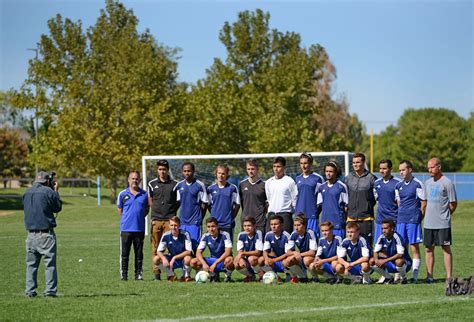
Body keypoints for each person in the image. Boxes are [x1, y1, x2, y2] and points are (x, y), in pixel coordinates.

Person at [23, 171, 62, 297]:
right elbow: (57, 207)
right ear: (47, 181)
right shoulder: (48, 191)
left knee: (31, 265)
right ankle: (50, 291)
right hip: (45, 234)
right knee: (49, 265)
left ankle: (30, 291)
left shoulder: (27, 192)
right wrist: (56, 191)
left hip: (30, 234)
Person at [424, 157, 457, 284]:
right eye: (428, 168)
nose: (430, 170)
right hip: (428, 222)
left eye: (432, 167)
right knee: (428, 249)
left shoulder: (447, 183)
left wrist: (445, 215)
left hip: (442, 223)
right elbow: (425, 203)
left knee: (446, 248)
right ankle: (429, 276)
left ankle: (449, 277)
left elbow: (453, 203)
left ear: (439, 167)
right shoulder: (427, 183)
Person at [395, 160, 426, 283]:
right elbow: (399, 204)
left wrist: (418, 218)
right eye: (400, 170)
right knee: (401, 248)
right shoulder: (398, 186)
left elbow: (423, 204)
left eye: (403, 170)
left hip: (413, 220)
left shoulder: (418, 184)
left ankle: (415, 276)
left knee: (414, 248)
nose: (401, 172)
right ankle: (400, 275)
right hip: (401, 220)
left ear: (410, 170)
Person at [147, 159, 179, 280]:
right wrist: (155, 211)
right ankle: (156, 274)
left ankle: (170, 273)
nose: (162, 172)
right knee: (155, 248)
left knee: (169, 248)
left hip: (169, 221)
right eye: (160, 169)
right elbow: (150, 199)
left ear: (168, 170)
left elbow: (178, 201)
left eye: (164, 169)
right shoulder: (151, 184)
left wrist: (171, 213)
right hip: (156, 220)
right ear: (157, 170)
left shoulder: (174, 184)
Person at [117, 171, 149, 281]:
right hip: (126, 229)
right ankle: (124, 275)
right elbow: (120, 210)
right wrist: (127, 220)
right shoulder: (122, 194)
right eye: (132, 178)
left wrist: (138, 218)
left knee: (139, 254)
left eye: (137, 179)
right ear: (128, 180)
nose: (135, 181)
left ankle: (138, 274)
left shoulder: (145, 194)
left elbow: (146, 209)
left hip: (139, 228)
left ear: (140, 180)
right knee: (124, 254)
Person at [344, 152, 377, 245]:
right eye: (354, 162)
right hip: (351, 217)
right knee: (351, 245)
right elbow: (345, 196)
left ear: (363, 163)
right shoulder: (348, 178)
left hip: (366, 218)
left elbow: (375, 198)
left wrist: (367, 206)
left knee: (367, 245)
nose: (355, 164)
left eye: (358, 162)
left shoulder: (371, 178)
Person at [175, 162, 208, 251]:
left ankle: (196, 264)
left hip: (194, 222)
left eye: (189, 171)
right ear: (182, 172)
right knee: (183, 247)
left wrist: (200, 217)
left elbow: (205, 203)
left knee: (196, 247)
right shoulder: (179, 185)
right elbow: (178, 203)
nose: (187, 173)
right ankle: (186, 264)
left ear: (193, 171)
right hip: (182, 222)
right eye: (185, 171)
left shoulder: (200, 185)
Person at [191, 217, 234, 282]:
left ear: (217, 226)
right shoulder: (205, 236)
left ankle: (227, 276)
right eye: (208, 227)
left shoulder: (225, 235)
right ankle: (208, 274)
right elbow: (198, 252)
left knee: (230, 260)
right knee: (193, 262)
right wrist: (204, 264)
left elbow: (228, 252)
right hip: (212, 260)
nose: (211, 229)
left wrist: (215, 264)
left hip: (222, 261)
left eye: (213, 226)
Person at [371, 219, 412, 284]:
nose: (383, 231)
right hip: (390, 262)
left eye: (386, 228)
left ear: (392, 228)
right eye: (382, 228)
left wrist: (384, 260)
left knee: (398, 261)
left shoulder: (397, 237)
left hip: (404, 263)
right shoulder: (381, 237)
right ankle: (388, 278)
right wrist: (376, 260)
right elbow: (375, 251)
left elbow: (400, 254)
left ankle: (403, 278)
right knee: (372, 261)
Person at [154, 216, 193, 282]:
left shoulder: (185, 234)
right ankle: (171, 275)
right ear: (169, 225)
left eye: (175, 225)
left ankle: (185, 276)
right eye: (172, 225)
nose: (173, 227)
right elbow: (159, 251)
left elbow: (189, 251)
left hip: (182, 258)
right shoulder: (166, 235)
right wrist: (163, 259)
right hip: (171, 260)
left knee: (188, 258)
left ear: (179, 225)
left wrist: (174, 257)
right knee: (156, 259)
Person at [207, 164, 240, 240]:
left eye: (223, 173)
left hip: (227, 224)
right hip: (215, 224)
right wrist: (214, 213)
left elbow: (237, 204)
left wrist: (231, 216)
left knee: (228, 247)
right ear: (216, 174)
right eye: (219, 173)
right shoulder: (210, 189)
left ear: (227, 175)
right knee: (216, 246)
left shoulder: (232, 188)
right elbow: (208, 205)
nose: (220, 175)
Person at [265, 156, 297, 233]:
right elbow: (269, 199)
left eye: (278, 166)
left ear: (284, 167)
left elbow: (294, 200)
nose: (276, 169)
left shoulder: (290, 181)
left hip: (285, 215)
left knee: (286, 241)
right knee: (269, 240)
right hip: (271, 215)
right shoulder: (269, 182)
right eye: (274, 166)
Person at [295, 153, 324, 236]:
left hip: (312, 215)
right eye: (301, 163)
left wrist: (315, 212)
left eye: (305, 163)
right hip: (299, 216)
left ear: (310, 164)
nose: (303, 166)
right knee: (300, 241)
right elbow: (295, 197)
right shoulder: (297, 178)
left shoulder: (317, 178)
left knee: (313, 239)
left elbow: (321, 199)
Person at [317, 161, 348, 238]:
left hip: (337, 224)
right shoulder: (321, 187)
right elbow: (320, 206)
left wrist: (344, 221)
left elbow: (346, 206)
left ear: (336, 172)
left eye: (331, 171)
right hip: (325, 225)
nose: (328, 173)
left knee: (339, 248)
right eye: (327, 171)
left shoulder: (341, 187)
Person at [283, 214, 317, 283]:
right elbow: (288, 252)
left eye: (298, 225)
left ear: (304, 225)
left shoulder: (310, 233)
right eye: (295, 225)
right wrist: (294, 253)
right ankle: (302, 277)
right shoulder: (293, 234)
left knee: (306, 260)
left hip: (314, 258)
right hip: (301, 256)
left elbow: (312, 252)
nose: (296, 228)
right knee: (285, 262)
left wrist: (299, 254)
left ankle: (315, 278)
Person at [373, 159, 401, 242]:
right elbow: (377, 200)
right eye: (380, 168)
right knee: (379, 246)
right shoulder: (376, 183)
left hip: (394, 220)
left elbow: (400, 203)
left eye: (384, 168)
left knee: (398, 245)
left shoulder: (398, 183)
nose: (382, 171)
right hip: (380, 220)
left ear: (390, 169)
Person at [259, 214, 291, 283]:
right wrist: (267, 258)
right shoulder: (268, 235)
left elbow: (287, 254)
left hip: (285, 261)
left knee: (287, 261)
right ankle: (275, 276)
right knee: (261, 259)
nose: (273, 226)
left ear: (282, 225)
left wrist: (274, 260)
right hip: (275, 260)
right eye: (271, 224)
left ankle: (290, 274)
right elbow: (265, 251)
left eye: (276, 224)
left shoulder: (286, 236)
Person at [239, 159, 268, 234]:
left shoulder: (264, 185)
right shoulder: (242, 184)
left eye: (252, 169)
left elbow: (267, 204)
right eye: (248, 169)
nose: (250, 171)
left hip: (259, 223)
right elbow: (242, 203)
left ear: (257, 169)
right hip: (246, 222)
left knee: (259, 245)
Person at [234, 216, 264, 282]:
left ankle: (262, 275)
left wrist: (242, 253)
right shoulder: (241, 235)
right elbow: (240, 251)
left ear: (254, 226)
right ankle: (250, 276)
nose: (246, 228)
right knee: (238, 264)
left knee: (251, 258)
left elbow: (258, 252)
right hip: (248, 259)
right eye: (245, 226)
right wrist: (238, 259)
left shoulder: (258, 233)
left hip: (258, 259)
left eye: (249, 225)